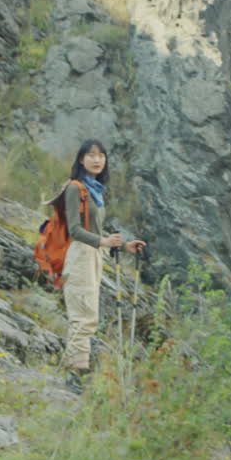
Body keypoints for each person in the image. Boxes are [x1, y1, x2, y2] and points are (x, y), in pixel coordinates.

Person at [50, 139, 145, 393]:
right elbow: (75, 230)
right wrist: (103, 240)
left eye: (101, 155)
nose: (97, 159)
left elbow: (96, 230)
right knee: (83, 316)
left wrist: (123, 245)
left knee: (88, 315)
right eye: (91, 155)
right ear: (81, 160)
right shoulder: (74, 188)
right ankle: (75, 374)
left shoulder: (96, 191)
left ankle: (77, 371)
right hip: (79, 255)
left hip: (93, 254)